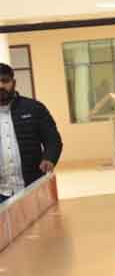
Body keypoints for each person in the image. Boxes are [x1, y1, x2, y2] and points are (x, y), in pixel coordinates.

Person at [0, 63, 62, 202]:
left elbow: (53, 139)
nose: (1, 86)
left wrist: (49, 158)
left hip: (33, 187)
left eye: (5, 80)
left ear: (13, 82)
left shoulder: (34, 108)